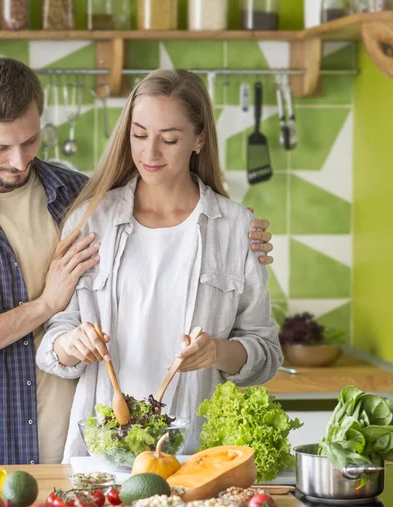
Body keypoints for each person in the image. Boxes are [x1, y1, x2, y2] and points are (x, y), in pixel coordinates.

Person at [0, 57, 275, 466]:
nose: (20, 161)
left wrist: (237, 232)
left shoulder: (79, 198)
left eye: (31, 141)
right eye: (0, 148)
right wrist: (46, 306)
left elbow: (167, 209)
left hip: (81, 447)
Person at [37, 69, 283, 463]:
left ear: (199, 139)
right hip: (100, 456)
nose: (149, 153)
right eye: (139, 135)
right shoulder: (90, 220)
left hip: (195, 458)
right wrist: (71, 344)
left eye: (169, 139)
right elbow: (54, 340)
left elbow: (265, 354)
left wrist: (217, 352)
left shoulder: (236, 227)